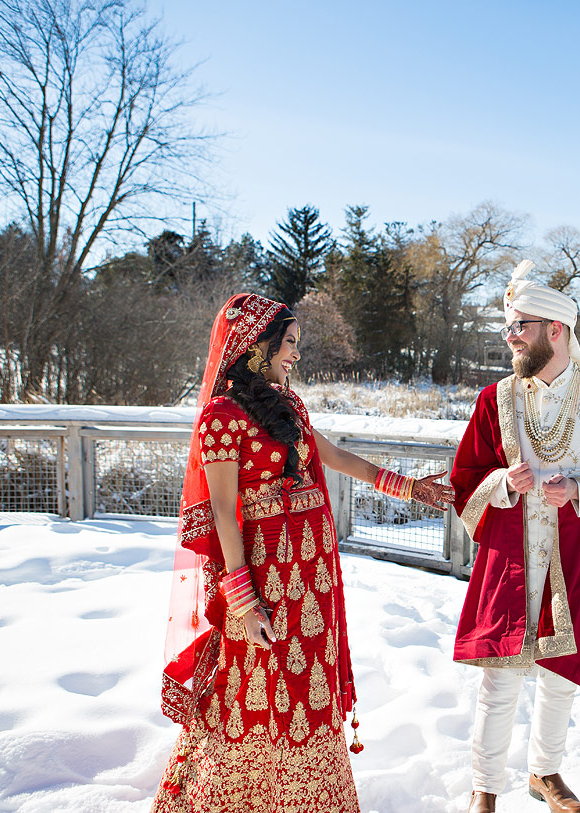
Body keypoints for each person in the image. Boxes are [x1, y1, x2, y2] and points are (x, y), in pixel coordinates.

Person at [150, 293, 454, 812]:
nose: (295, 354)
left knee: (306, 675)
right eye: (288, 343)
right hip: (262, 572)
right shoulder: (221, 416)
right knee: (256, 676)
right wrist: (243, 600)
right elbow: (224, 510)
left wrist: (407, 487)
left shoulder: (287, 403)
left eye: (297, 344)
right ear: (254, 346)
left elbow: (330, 455)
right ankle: (243, 794)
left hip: (313, 572)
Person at [449, 262, 580, 813]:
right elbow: (465, 475)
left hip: (575, 557)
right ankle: (484, 787)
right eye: (508, 328)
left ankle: (545, 774)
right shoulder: (495, 400)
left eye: (520, 327)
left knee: (559, 674)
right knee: (500, 676)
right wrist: (500, 484)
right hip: (512, 555)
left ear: (555, 330)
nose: (510, 338)